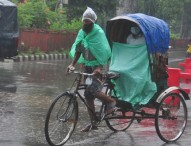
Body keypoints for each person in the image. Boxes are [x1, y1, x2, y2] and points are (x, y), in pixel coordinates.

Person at [66, 7, 116, 132]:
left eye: (88, 21)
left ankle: (111, 102)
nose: (85, 23)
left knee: (93, 90)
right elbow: (78, 49)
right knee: (88, 96)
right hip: (88, 66)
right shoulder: (81, 32)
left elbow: (103, 52)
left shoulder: (98, 33)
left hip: (99, 66)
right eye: (84, 21)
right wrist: (72, 64)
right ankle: (93, 123)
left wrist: (99, 68)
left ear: (93, 22)